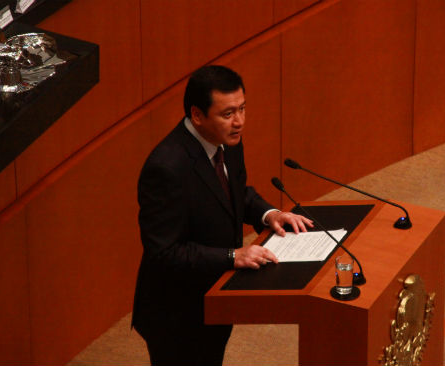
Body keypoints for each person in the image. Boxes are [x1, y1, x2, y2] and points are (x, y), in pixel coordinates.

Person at [132, 65, 312, 366]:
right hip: (177, 311)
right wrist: (232, 256)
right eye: (227, 113)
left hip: (216, 293)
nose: (239, 122)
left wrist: (269, 214)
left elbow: (234, 191)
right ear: (197, 115)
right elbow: (164, 252)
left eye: (242, 109)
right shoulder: (166, 169)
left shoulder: (227, 140)